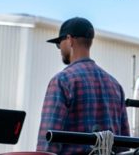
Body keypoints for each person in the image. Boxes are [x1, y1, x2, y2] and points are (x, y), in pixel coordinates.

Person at [37, 17, 130, 153]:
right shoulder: (115, 86)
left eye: (59, 44)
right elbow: (124, 144)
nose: (59, 49)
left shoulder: (62, 81)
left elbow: (48, 142)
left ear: (69, 40)